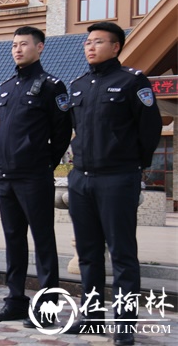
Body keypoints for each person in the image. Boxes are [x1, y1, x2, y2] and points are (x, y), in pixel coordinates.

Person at [66, 22, 161, 346]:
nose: (90, 47)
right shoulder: (77, 85)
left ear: (116, 47)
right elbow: (75, 128)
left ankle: (124, 325)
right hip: (81, 180)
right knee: (89, 255)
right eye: (88, 42)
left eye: (98, 42)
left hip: (118, 178)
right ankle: (91, 317)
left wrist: (133, 168)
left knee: (121, 255)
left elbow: (149, 130)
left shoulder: (132, 82)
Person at [0, 26, 72, 327]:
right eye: (14, 45)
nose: (18, 49)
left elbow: (62, 132)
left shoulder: (52, 86)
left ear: (40, 48)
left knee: (43, 241)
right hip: (7, 177)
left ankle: (47, 307)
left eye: (24, 44)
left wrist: (44, 162)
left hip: (34, 176)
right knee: (13, 240)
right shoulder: (7, 86)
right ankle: (16, 300)